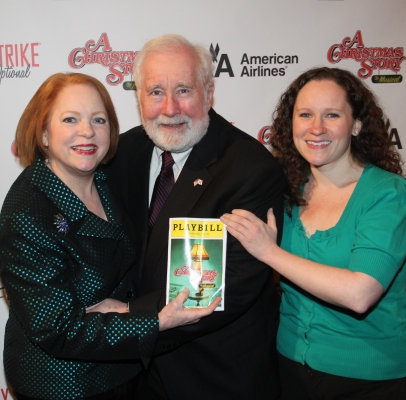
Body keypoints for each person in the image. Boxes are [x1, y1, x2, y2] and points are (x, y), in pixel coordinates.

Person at [0, 72, 219, 400]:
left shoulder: (105, 178)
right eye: (70, 119)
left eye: (98, 120)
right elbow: (58, 329)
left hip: (124, 370)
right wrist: (153, 320)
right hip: (66, 385)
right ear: (43, 132)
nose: (86, 131)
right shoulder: (28, 213)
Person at [103, 35, 284, 399]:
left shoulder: (249, 168)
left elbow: (229, 285)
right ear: (138, 96)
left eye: (183, 89)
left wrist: (128, 313)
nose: (169, 108)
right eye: (155, 91)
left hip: (215, 378)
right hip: (136, 378)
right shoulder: (123, 152)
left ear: (209, 91)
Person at [221, 67, 406, 400]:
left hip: (371, 378)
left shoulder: (388, 193)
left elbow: (360, 293)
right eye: (305, 115)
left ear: (356, 125)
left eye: (332, 115)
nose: (316, 128)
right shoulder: (283, 190)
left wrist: (269, 252)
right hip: (289, 368)